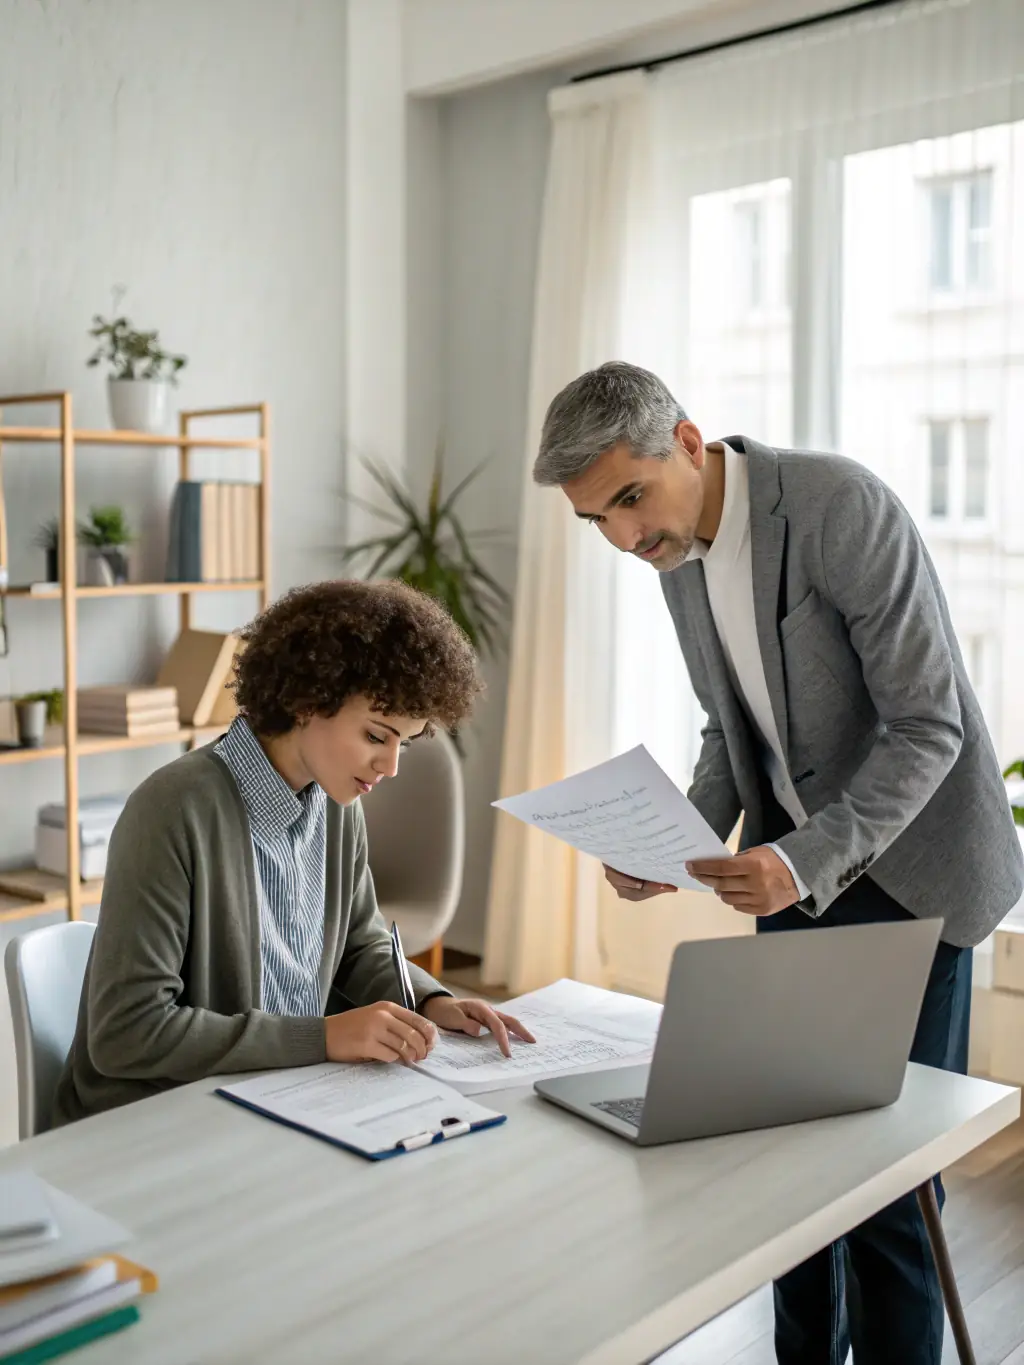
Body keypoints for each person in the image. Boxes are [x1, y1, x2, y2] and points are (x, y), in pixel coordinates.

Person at [532, 361, 1023, 1365]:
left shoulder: (839, 507)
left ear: (686, 440)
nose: (625, 538)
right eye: (598, 523)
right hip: (796, 870)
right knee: (781, 1161)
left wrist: (799, 865)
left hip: (911, 872)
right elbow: (730, 724)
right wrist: (674, 836)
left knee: (881, 1183)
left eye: (629, 499)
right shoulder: (674, 556)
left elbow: (928, 726)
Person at [54, 579, 533, 1127]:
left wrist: (430, 1002)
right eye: (377, 736)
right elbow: (126, 1033)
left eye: (406, 740)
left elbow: (361, 942)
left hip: (272, 1099)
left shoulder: (336, 804)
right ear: (309, 699)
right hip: (152, 1122)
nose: (392, 766)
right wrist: (323, 1036)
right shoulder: (172, 810)